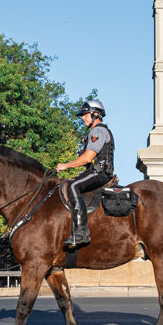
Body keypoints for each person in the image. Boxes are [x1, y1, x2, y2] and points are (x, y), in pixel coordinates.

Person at [56, 99, 114, 248]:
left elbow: (88, 158)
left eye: (85, 114)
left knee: (73, 186)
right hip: (94, 171)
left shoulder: (98, 131)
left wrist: (65, 166)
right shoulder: (93, 132)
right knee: (69, 182)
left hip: (100, 173)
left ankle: (82, 232)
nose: (83, 118)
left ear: (96, 114)